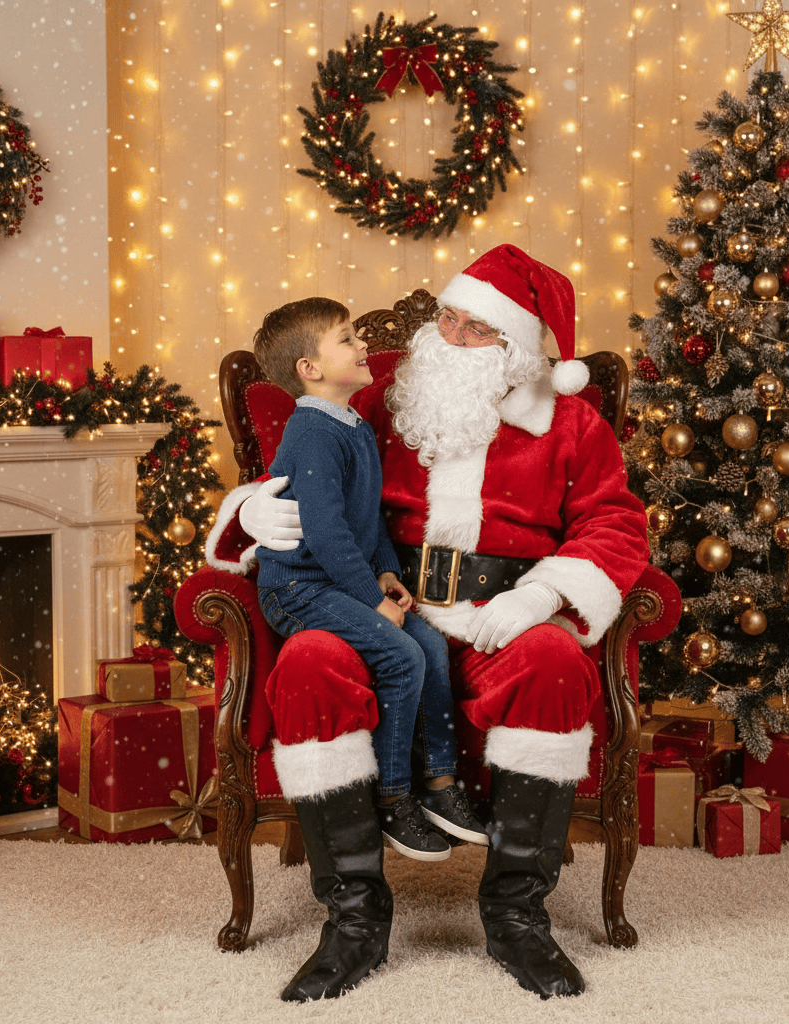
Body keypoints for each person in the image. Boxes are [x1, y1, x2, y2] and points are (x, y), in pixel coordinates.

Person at [206, 245, 651, 1002]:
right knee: (310, 663)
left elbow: (615, 526)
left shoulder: (570, 423)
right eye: (445, 318)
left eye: (473, 328)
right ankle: (353, 922)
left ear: (512, 345)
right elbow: (304, 470)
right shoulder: (383, 400)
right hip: (379, 603)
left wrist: (538, 600)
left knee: (553, 665)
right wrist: (247, 511)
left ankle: (517, 918)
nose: (446, 337)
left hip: (499, 616)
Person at [250, 297, 488, 867]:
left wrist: (386, 570)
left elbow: (367, 516)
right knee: (402, 656)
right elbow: (328, 533)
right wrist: (371, 600)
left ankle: (439, 783)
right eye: (347, 339)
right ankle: (393, 797)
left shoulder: (351, 422)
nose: (363, 348)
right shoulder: (312, 431)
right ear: (310, 369)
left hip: (340, 580)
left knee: (428, 643)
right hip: (300, 588)